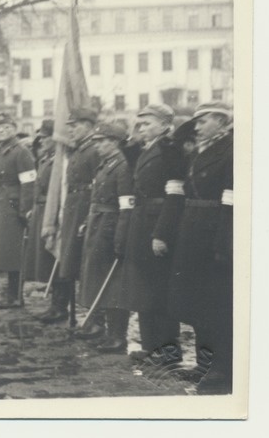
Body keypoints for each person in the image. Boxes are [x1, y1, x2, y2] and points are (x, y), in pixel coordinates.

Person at [165, 102, 233, 393]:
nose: (197, 126)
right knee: (196, 303)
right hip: (191, 233)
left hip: (212, 235)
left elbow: (231, 200)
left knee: (216, 305)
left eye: (203, 121)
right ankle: (205, 364)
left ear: (220, 120)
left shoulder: (232, 149)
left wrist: (223, 242)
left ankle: (222, 370)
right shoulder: (200, 150)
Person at [115, 104, 185, 365]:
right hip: (141, 223)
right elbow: (132, 157)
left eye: (147, 123)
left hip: (156, 225)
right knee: (144, 288)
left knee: (159, 289)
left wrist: (162, 233)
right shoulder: (149, 148)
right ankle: (151, 346)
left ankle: (167, 350)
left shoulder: (171, 149)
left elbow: (174, 195)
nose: (141, 127)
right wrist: (134, 134)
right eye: (139, 123)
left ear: (166, 124)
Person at [37, 107, 100, 324]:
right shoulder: (78, 150)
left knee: (87, 264)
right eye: (70, 126)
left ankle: (94, 319)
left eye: (76, 126)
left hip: (84, 209)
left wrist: (88, 216)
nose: (70, 130)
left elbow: (97, 186)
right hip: (71, 208)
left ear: (90, 126)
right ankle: (62, 307)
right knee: (68, 259)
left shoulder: (93, 150)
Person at [77, 122, 134, 352]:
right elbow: (96, 198)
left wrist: (120, 238)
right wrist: (86, 222)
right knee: (101, 279)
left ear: (115, 142)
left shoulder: (122, 167)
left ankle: (118, 336)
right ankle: (106, 330)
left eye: (101, 142)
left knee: (115, 283)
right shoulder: (106, 164)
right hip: (98, 224)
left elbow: (126, 206)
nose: (97, 146)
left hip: (111, 228)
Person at [0, 113, 36, 308]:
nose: (2, 131)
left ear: (14, 129)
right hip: (2, 203)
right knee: (7, 251)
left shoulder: (20, 152)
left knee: (15, 251)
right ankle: (11, 294)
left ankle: (17, 297)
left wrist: (24, 210)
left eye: (6, 127)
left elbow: (29, 183)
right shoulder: (2, 151)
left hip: (13, 204)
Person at [23, 120, 57, 285]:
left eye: (45, 137)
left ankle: (59, 306)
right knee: (42, 258)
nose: (41, 141)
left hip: (50, 211)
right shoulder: (45, 159)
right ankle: (53, 303)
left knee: (50, 257)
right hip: (40, 210)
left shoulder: (59, 161)